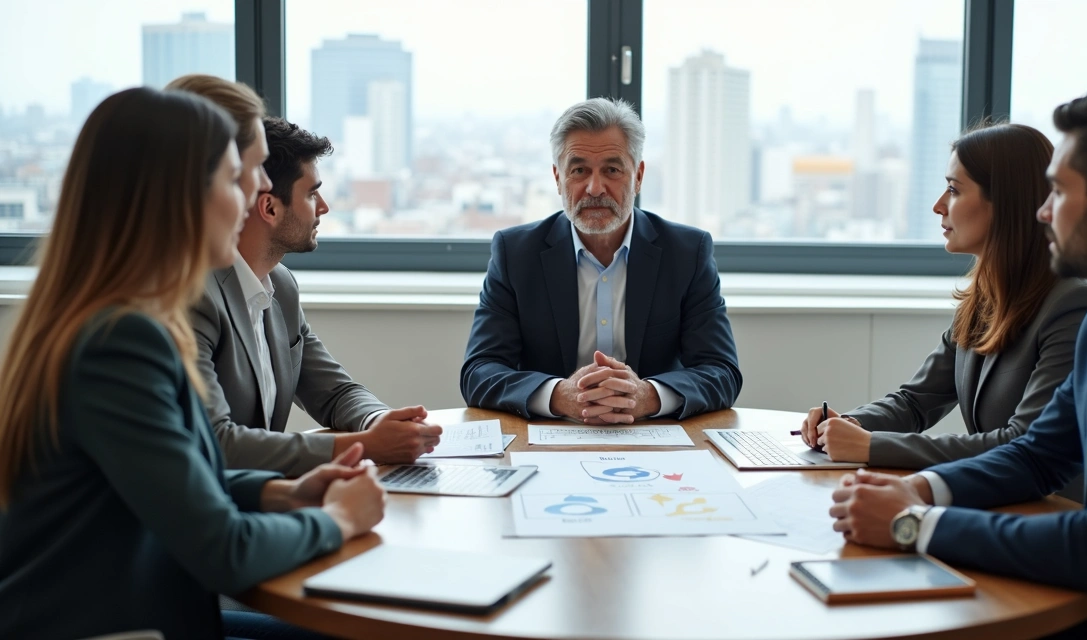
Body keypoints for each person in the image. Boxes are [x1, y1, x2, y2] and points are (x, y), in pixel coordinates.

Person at [829, 87, 1087, 638]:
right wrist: (919, 490)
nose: (1041, 210)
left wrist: (913, 523)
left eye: (1057, 191)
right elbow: (1038, 455)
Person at [0, 87, 385, 639]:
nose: (255, 193)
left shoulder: (123, 318)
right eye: (237, 178)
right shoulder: (121, 341)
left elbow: (170, 479)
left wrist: (282, 492)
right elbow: (223, 550)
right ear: (178, 196)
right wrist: (339, 518)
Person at [173, 74, 442, 478]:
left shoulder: (280, 286)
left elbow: (333, 391)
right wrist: (363, 445)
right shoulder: (194, 296)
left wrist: (379, 423)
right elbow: (217, 442)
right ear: (269, 207)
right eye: (312, 193)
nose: (325, 207)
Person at [802, 123, 1087, 472]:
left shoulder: (1072, 308)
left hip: (1048, 511)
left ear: (1005, 202)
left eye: (954, 191)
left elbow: (1021, 443)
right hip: (993, 500)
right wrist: (847, 425)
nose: (938, 206)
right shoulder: (982, 302)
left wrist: (871, 446)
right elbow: (915, 402)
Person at [460, 97, 742, 424]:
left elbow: (722, 371)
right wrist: (558, 395)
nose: (595, 188)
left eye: (611, 169)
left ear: (637, 176)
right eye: (579, 170)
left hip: (655, 437)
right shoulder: (516, 253)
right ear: (557, 178)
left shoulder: (687, 252)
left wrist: (647, 396)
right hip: (549, 440)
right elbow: (479, 371)